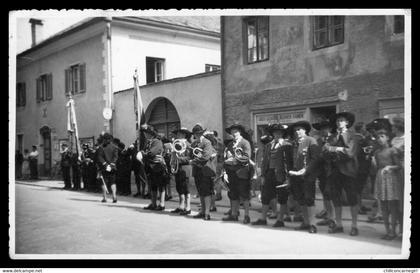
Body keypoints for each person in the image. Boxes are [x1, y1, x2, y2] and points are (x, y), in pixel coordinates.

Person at [323, 112, 361, 236]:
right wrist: (332, 151)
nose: (339, 122)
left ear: (347, 122)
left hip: (348, 171)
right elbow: (325, 152)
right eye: (338, 120)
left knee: (352, 198)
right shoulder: (332, 136)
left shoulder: (352, 136)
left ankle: (354, 225)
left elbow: (350, 153)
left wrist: (335, 149)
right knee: (336, 198)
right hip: (334, 171)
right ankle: (339, 224)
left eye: (342, 120)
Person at [252, 123, 293, 227]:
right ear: (273, 134)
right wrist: (263, 176)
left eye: (280, 132)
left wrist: (288, 177)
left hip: (281, 173)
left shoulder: (287, 145)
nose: (277, 134)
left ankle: (280, 220)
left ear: (283, 134)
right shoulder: (268, 145)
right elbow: (265, 161)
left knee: (282, 196)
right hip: (269, 173)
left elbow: (289, 162)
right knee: (266, 196)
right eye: (275, 132)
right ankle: (263, 219)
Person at [288, 121, 321, 234]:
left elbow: (315, 158)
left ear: (305, 130)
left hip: (308, 176)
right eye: (296, 130)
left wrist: (306, 169)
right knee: (301, 200)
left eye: (299, 129)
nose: (297, 132)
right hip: (296, 176)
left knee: (309, 199)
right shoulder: (294, 143)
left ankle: (313, 224)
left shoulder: (311, 141)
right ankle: (306, 222)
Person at [373, 127, 402, 240]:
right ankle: (388, 231)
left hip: (391, 179)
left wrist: (389, 167)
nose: (379, 139)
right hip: (380, 178)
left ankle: (393, 232)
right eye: (378, 137)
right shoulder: (376, 152)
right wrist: (373, 162)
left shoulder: (392, 150)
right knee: (383, 206)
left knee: (392, 206)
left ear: (387, 138)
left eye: (382, 137)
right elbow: (376, 167)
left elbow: (399, 166)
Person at [222, 123, 253, 224]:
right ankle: (234, 214)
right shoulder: (230, 144)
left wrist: (235, 160)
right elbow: (226, 158)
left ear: (240, 132)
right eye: (232, 131)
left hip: (242, 173)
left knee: (244, 195)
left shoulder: (245, 143)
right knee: (233, 194)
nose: (234, 133)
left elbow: (247, 157)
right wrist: (225, 171)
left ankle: (247, 216)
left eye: (236, 131)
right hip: (231, 173)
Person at [190, 124, 217, 220]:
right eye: (196, 134)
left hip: (206, 170)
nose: (197, 135)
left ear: (202, 133)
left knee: (206, 192)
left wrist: (194, 161)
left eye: (199, 133)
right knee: (200, 192)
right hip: (197, 171)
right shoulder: (193, 144)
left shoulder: (207, 142)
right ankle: (202, 211)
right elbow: (190, 156)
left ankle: (207, 213)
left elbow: (206, 156)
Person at [312, 120, 335, 226]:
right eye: (321, 129)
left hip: (332, 170)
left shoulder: (334, 139)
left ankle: (332, 218)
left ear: (330, 129)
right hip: (321, 171)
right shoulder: (318, 141)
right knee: (325, 194)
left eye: (325, 128)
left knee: (331, 194)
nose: (322, 130)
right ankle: (327, 215)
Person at [141, 125, 167, 210]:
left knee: (160, 185)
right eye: (145, 133)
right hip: (150, 167)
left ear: (151, 134)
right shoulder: (148, 142)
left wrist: (143, 154)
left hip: (157, 166)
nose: (145, 134)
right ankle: (153, 203)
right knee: (153, 185)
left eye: (146, 133)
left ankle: (162, 204)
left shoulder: (157, 141)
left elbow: (151, 153)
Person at [169, 127, 193, 215]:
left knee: (185, 187)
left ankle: (188, 207)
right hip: (178, 168)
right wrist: (173, 160)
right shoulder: (176, 143)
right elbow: (174, 156)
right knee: (179, 187)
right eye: (178, 134)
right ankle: (181, 206)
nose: (178, 135)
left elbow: (189, 158)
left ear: (184, 134)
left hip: (185, 168)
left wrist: (179, 159)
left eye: (180, 134)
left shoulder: (188, 145)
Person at [391, 117, 404, 238]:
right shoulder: (394, 139)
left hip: (403, 171)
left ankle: (404, 229)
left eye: (394, 126)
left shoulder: (406, 139)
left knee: (404, 201)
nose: (392, 128)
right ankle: (398, 229)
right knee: (396, 201)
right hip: (393, 172)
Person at [97, 132, 119, 203]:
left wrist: (106, 165)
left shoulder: (101, 147)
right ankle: (114, 196)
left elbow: (100, 157)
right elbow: (115, 157)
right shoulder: (115, 147)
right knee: (113, 182)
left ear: (104, 139)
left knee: (103, 183)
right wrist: (111, 165)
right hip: (112, 167)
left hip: (104, 167)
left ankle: (105, 197)